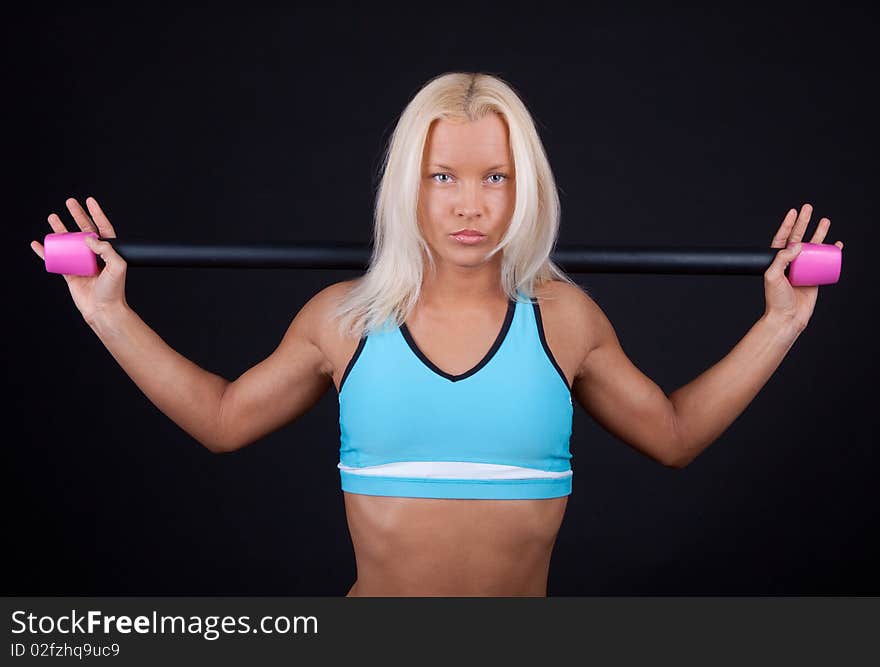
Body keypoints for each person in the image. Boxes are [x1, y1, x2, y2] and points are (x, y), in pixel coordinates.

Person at [31, 71, 844, 597]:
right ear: (408, 188)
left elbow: (673, 435)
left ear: (525, 186)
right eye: (443, 177)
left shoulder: (563, 319)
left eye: (495, 177)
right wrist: (107, 311)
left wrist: (780, 323)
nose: (469, 204)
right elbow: (221, 419)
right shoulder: (343, 320)